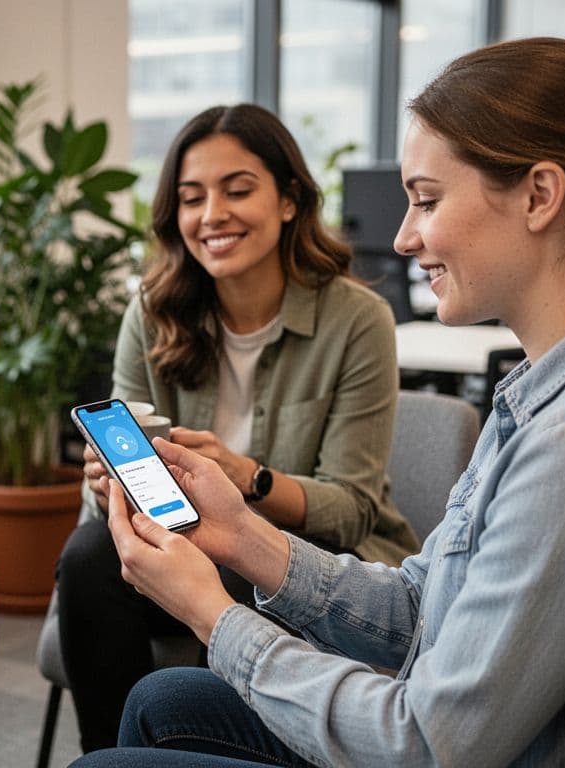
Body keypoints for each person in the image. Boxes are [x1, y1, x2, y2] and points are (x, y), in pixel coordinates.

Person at [73, 37, 565, 768]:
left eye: (427, 201)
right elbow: (424, 610)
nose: (402, 237)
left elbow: (424, 745)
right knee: (163, 701)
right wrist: (244, 536)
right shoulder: (549, 394)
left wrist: (215, 615)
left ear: (540, 195)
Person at [55, 102, 419, 752]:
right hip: (181, 537)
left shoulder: (357, 319)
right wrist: (106, 482)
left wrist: (242, 479)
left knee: (231, 560)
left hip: (305, 553)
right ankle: (111, 758)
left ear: (288, 201)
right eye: (192, 198)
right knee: (89, 556)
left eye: (238, 189)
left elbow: (352, 510)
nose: (212, 214)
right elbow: (113, 503)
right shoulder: (153, 312)